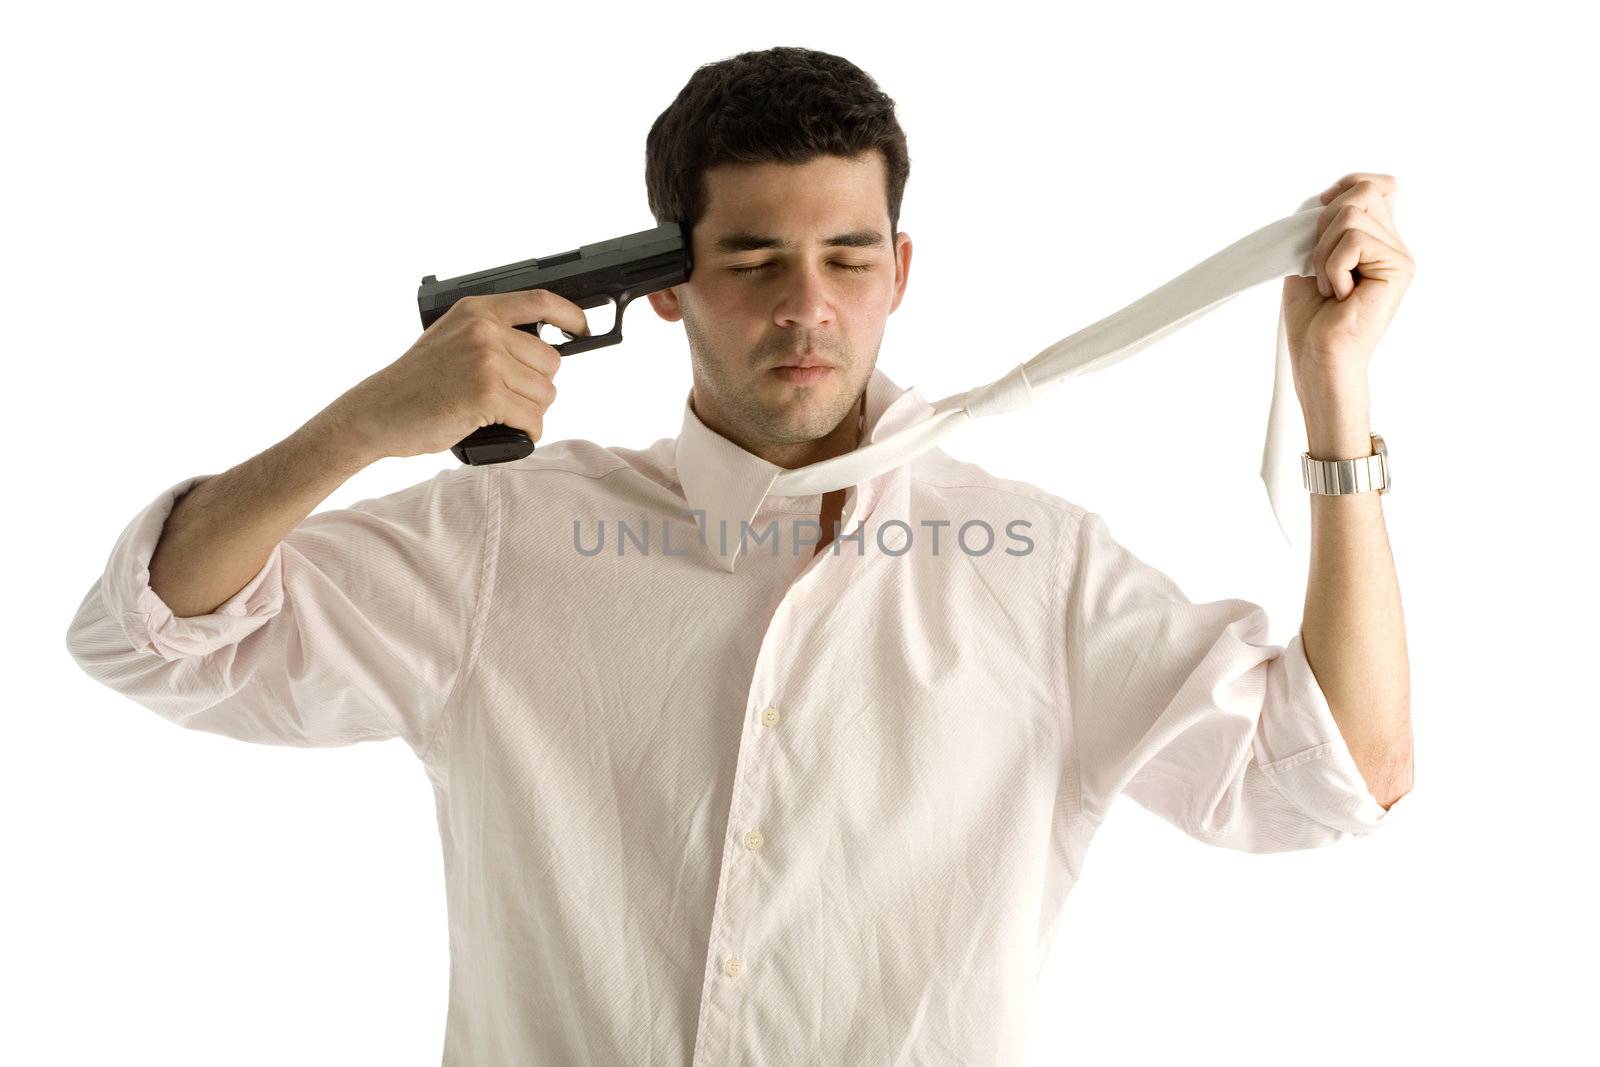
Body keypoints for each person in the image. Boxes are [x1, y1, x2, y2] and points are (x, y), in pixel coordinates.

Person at [64, 45, 1414, 1066]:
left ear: (900, 269)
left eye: (845, 257)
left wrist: (1333, 390)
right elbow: (144, 634)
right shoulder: (497, 543)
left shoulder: (1039, 573)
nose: (806, 309)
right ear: (662, 284)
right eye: (754, 261)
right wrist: (367, 422)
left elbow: (1337, 781)